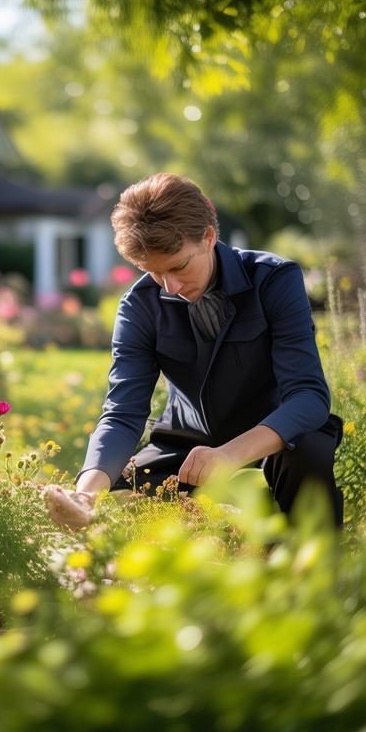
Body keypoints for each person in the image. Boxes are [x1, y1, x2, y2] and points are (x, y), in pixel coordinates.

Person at [45, 172, 343, 530]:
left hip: (276, 441)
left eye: (178, 266)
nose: (169, 286)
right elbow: (123, 412)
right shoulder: (138, 307)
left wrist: (230, 455)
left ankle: (315, 568)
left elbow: (309, 397)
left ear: (209, 237)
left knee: (308, 452)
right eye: (153, 273)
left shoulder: (274, 280)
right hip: (185, 446)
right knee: (119, 492)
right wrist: (86, 495)